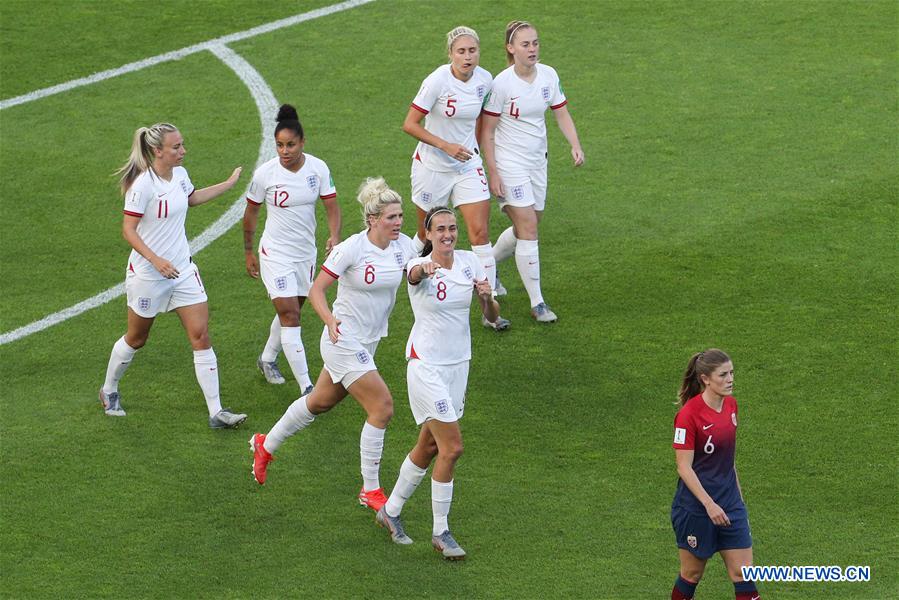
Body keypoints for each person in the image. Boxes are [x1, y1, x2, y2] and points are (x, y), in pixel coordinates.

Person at [250, 178, 416, 513]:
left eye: (400, 216)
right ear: (372, 219)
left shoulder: (404, 247)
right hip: (342, 340)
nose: (398, 222)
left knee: (319, 403)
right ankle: (370, 489)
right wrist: (329, 320)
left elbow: (419, 269)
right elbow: (316, 290)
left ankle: (265, 444)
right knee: (382, 407)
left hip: (368, 342)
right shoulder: (351, 249)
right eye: (391, 217)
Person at [99, 123, 246, 428]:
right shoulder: (143, 187)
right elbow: (128, 230)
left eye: (182, 145)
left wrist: (228, 184)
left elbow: (191, 198)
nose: (183, 151)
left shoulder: (180, 175)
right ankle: (109, 389)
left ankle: (216, 411)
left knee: (201, 336)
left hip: (182, 271)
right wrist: (156, 261)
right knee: (137, 338)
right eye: (176, 147)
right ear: (157, 151)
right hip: (148, 276)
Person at [375, 206, 499, 560]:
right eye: (440, 229)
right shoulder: (417, 265)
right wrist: (423, 266)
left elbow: (492, 317)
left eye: (452, 228)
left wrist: (487, 299)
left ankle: (391, 510)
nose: (447, 234)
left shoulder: (469, 263)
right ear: (428, 234)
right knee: (452, 447)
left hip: (458, 366)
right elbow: (412, 275)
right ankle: (441, 532)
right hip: (426, 367)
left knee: (429, 446)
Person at [402, 25, 510, 331]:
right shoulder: (437, 80)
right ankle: (403, 267)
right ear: (450, 54)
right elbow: (409, 124)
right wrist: (445, 145)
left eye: (472, 50)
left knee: (479, 233)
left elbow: (481, 121)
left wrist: (480, 157)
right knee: (425, 236)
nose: (467, 57)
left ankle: (489, 308)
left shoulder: (485, 80)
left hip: (466, 166)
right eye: (461, 51)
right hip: (432, 167)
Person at [480, 20, 584, 323]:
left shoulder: (548, 76)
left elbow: (561, 112)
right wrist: (494, 172)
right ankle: (538, 303)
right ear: (511, 49)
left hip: (539, 161)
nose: (532, 49)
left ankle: (489, 263)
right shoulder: (501, 84)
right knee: (529, 228)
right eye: (525, 44)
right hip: (509, 162)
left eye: (535, 43)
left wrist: (575, 145)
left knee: (529, 225)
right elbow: (487, 132)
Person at [243, 104, 341, 394]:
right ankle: (307, 387)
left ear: (302, 142)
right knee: (290, 316)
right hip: (275, 253)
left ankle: (267, 358)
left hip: (304, 254)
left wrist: (334, 236)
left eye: (290, 145)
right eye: (279, 146)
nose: (284, 151)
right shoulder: (265, 174)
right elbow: (250, 215)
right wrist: (249, 251)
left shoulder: (318, 168)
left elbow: (332, 207)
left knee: (294, 309)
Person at [670, 349, 761, 600]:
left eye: (732, 372)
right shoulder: (688, 415)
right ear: (705, 379)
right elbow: (683, 467)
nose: (730, 379)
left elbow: (727, 460)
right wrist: (710, 505)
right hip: (697, 509)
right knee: (691, 574)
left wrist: (739, 503)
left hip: (729, 504)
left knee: (744, 575)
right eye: (723, 375)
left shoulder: (731, 406)